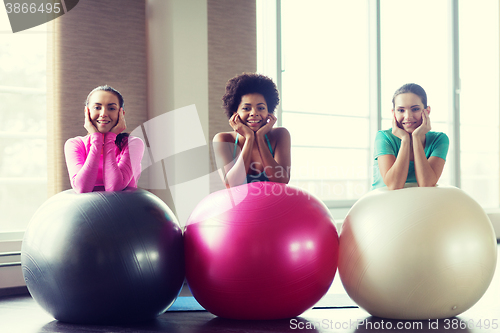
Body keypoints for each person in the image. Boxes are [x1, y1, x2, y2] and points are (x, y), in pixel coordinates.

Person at [213, 73, 291, 188]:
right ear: (235, 113)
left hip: (275, 205)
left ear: (269, 112)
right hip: (240, 206)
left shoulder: (280, 135)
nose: (254, 113)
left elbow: (281, 181)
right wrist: (250, 138)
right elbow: (232, 184)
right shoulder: (223, 139)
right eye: (246, 108)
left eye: (261, 108)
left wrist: (259, 138)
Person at [64, 85, 144, 193]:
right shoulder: (74, 144)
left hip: (124, 209)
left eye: (111, 108)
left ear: (121, 114)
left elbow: (114, 187)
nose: (103, 114)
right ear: (87, 112)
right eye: (97, 107)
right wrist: (97, 140)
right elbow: (82, 188)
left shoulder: (133, 144)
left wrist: (110, 138)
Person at [372, 83, 449, 190]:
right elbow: (394, 185)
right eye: (401, 110)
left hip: (420, 205)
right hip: (385, 204)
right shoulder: (384, 137)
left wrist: (416, 138)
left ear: (427, 111)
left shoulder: (439, 139)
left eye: (415, 109)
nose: (408, 116)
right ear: (394, 113)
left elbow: (426, 184)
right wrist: (405, 140)